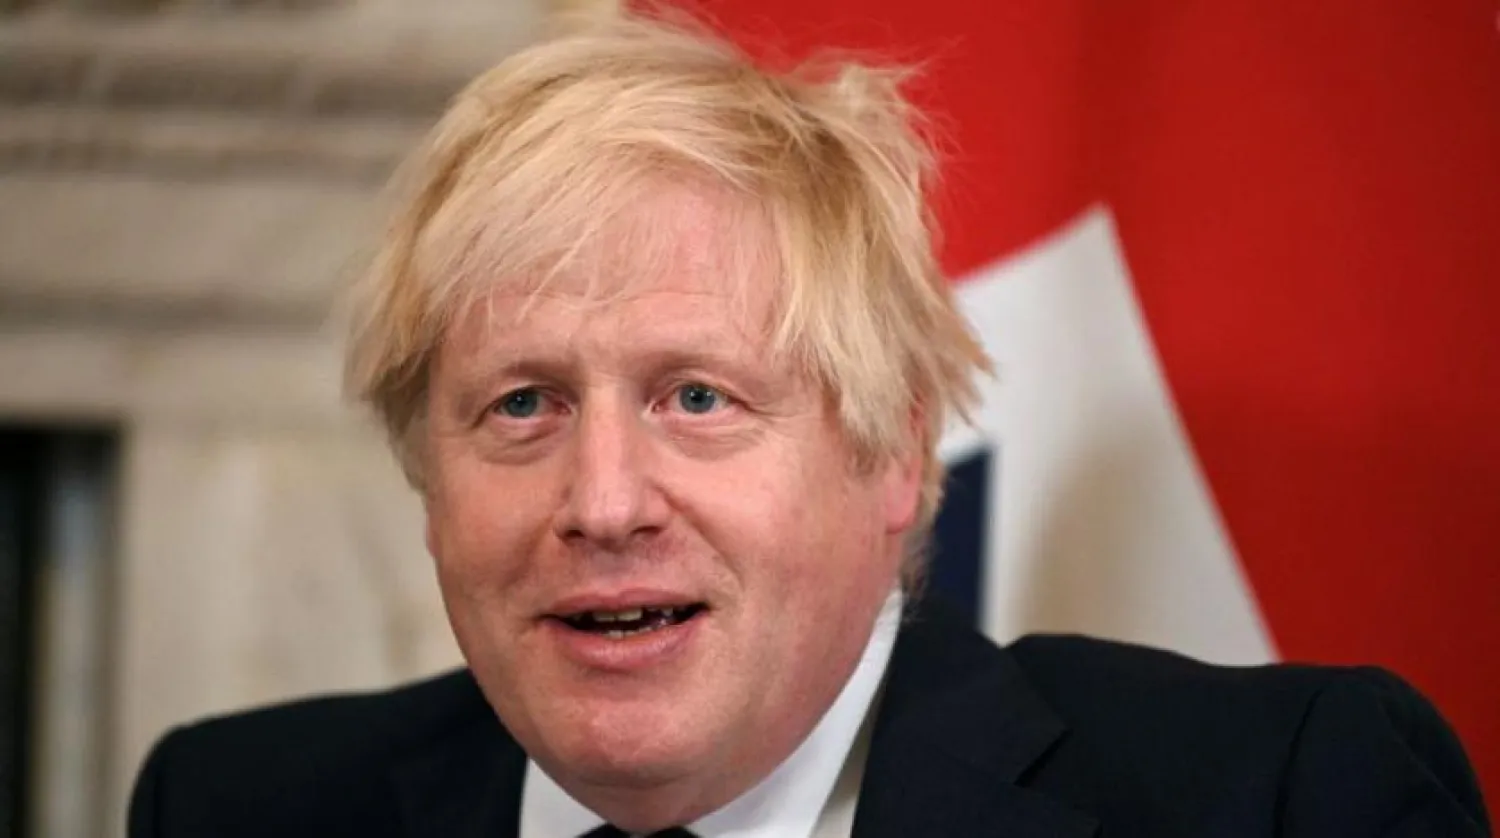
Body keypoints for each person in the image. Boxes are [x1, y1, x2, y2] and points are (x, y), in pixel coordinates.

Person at [127, 10, 1490, 838]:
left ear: (894, 448)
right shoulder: (236, 807)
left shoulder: (1285, 802)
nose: (604, 500)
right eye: (523, 403)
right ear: (428, 479)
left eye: (698, 397)